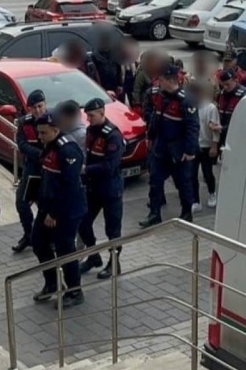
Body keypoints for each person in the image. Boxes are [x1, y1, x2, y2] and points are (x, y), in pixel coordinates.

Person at [31, 111, 87, 308]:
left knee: (65, 250)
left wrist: (54, 213)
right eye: (39, 132)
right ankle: (52, 282)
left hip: (67, 210)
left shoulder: (67, 150)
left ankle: (74, 291)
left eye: (43, 133)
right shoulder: (49, 146)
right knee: (38, 243)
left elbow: (69, 186)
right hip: (47, 207)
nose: (40, 137)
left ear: (55, 130)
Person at [139, 64, 199, 228]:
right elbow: (155, 118)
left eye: (161, 80)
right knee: (155, 180)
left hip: (178, 149)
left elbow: (192, 126)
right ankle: (154, 214)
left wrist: (190, 150)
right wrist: (150, 137)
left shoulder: (186, 100)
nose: (158, 82)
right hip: (160, 147)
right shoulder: (160, 96)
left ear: (169, 80)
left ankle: (186, 213)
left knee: (183, 182)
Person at [78, 98, 125, 280]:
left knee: (113, 230)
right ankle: (93, 256)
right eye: (87, 116)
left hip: (110, 189)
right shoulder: (91, 130)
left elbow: (110, 166)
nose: (88, 119)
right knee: (83, 222)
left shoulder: (112, 136)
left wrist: (86, 170)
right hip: (93, 188)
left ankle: (114, 264)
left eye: (91, 115)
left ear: (102, 113)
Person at [13, 90, 47, 253]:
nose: (37, 110)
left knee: (46, 206)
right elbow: (22, 144)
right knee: (21, 203)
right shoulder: (24, 123)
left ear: (45, 104)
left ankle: (47, 238)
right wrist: (40, 155)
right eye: (34, 108)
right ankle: (29, 235)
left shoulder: (54, 120)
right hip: (31, 169)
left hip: (49, 171)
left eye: (40, 106)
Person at [188, 82, 220, 214]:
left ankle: (212, 193)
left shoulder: (211, 108)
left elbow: (215, 129)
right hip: (194, 146)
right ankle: (196, 200)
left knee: (207, 173)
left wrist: (214, 146)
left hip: (206, 146)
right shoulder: (189, 107)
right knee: (192, 174)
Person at [216, 68, 246, 153]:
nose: (225, 87)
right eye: (223, 85)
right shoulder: (221, 94)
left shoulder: (243, 96)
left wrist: (223, 129)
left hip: (235, 137)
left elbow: (243, 122)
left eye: (228, 84)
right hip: (221, 135)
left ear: (235, 80)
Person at [119, 37, 139, 104]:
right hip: (123, 80)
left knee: (131, 98)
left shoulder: (134, 60)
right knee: (122, 98)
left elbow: (136, 71)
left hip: (131, 80)